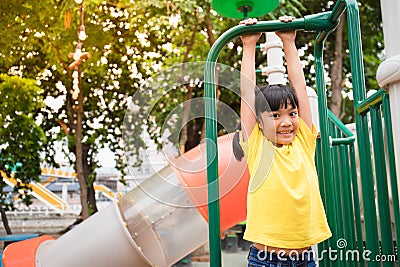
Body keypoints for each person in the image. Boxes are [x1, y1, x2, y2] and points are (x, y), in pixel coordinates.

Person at [233, 16, 332, 266]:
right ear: (259, 122)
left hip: (305, 258)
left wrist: (288, 42)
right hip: (266, 259)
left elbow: (299, 87)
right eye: (275, 116)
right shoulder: (258, 146)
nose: (286, 122)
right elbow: (247, 93)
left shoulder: (303, 140)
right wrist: (248, 46)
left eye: (292, 114)